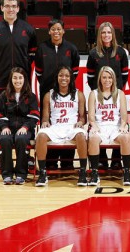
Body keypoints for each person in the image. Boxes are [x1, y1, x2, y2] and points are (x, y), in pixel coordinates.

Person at [34, 19, 80, 170]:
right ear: (49, 31)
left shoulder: (71, 48)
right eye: (53, 29)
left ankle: (67, 161)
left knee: (68, 125)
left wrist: (65, 85)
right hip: (48, 92)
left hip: (66, 92)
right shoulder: (42, 48)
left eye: (59, 29)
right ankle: (51, 161)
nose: (56, 32)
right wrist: (49, 86)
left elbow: (75, 72)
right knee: (49, 124)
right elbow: (39, 72)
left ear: (63, 31)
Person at [34, 66, 88, 187]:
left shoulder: (79, 94)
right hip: (56, 127)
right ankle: (43, 173)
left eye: (67, 76)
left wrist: (81, 122)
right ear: (57, 77)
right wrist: (45, 122)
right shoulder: (49, 95)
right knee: (41, 136)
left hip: (72, 127)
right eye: (61, 75)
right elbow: (45, 117)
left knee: (81, 135)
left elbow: (83, 117)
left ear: (71, 78)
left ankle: (83, 172)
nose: (64, 78)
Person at [86, 21, 129, 169]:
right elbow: (91, 78)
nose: (106, 35)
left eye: (109, 32)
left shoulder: (121, 52)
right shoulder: (93, 53)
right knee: (99, 126)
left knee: (118, 125)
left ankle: (117, 159)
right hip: (99, 94)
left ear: (113, 34)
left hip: (116, 94)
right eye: (103, 32)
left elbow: (124, 75)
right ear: (99, 35)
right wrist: (98, 94)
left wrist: (117, 93)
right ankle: (101, 159)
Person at [0, 0, 37, 102]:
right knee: (1, 112)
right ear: (2, 8)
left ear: (18, 8)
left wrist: (24, 65)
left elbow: (32, 52)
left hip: (22, 78)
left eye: (13, 6)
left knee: (23, 111)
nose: (10, 9)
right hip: (1, 77)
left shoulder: (28, 29)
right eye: (7, 6)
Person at [0, 67, 39, 185]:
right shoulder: (4, 95)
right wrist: (4, 127)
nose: (17, 81)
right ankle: (7, 173)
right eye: (15, 78)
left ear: (24, 79)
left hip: (25, 129)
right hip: (7, 128)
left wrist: (25, 127)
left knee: (22, 139)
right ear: (11, 79)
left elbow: (34, 116)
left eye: (20, 78)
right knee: (4, 139)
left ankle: (21, 174)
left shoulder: (31, 96)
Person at [87, 66, 130, 186]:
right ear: (100, 79)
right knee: (93, 138)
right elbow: (91, 116)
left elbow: (124, 115)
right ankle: (95, 173)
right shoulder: (93, 94)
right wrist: (93, 125)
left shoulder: (120, 93)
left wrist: (123, 125)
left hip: (115, 127)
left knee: (126, 138)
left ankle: (126, 172)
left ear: (113, 79)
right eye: (104, 77)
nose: (107, 80)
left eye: (109, 77)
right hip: (100, 126)